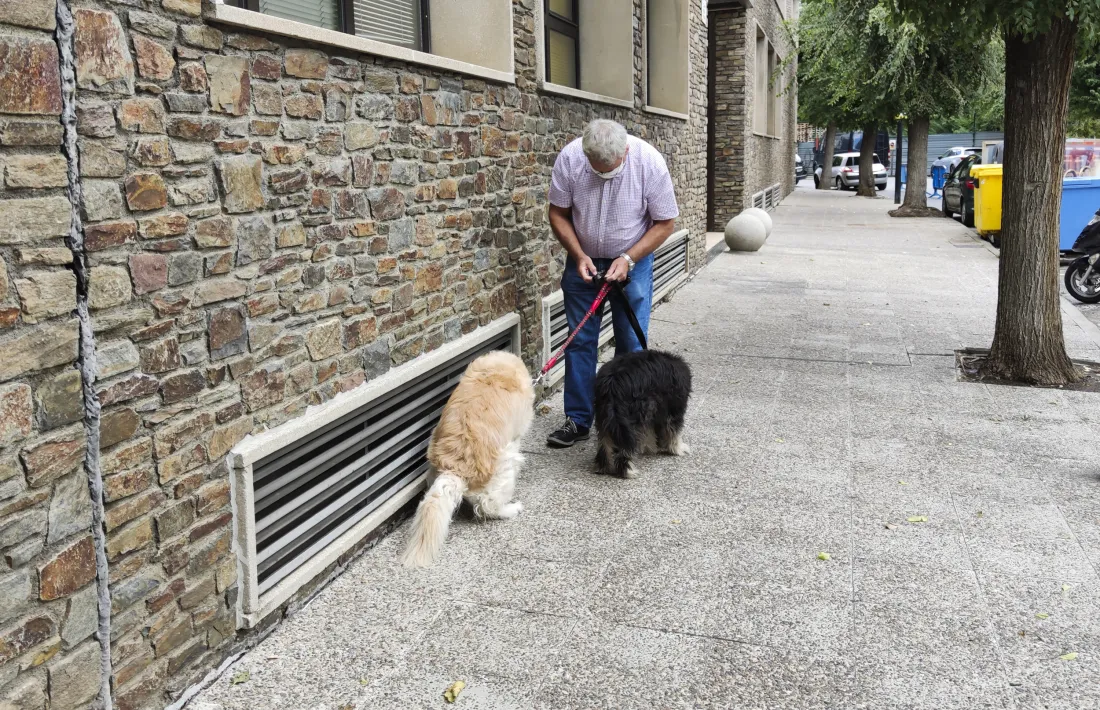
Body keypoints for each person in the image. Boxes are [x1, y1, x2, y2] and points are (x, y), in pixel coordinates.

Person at [545, 119, 680, 448]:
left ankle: (625, 419)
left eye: (610, 168)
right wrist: (577, 254)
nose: (603, 173)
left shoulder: (648, 162)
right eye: (597, 168)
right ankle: (577, 420)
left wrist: (629, 258)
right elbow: (558, 213)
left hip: (633, 262)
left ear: (626, 151)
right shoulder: (570, 159)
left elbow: (665, 222)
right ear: (585, 153)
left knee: (631, 347)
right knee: (579, 342)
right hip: (584, 263)